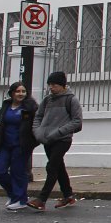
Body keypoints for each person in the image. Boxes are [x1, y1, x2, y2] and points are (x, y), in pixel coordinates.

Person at [29, 71, 83, 211]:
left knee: (51, 167)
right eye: (50, 85)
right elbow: (38, 117)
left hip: (62, 140)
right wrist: (38, 132)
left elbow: (77, 122)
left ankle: (41, 199)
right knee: (59, 167)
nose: (51, 88)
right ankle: (68, 195)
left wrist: (59, 132)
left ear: (63, 85)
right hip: (47, 140)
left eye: (54, 85)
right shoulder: (47, 100)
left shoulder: (71, 100)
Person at [0, 82, 39, 211]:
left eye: (23, 91)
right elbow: (1, 119)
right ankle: (14, 195)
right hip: (5, 144)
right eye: (18, 91)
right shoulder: (6, 105)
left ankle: (21, 200)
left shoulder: (29, 107)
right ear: (12, 93)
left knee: (18, 172)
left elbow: (32, 124)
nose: (21, 94)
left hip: (21, 145)